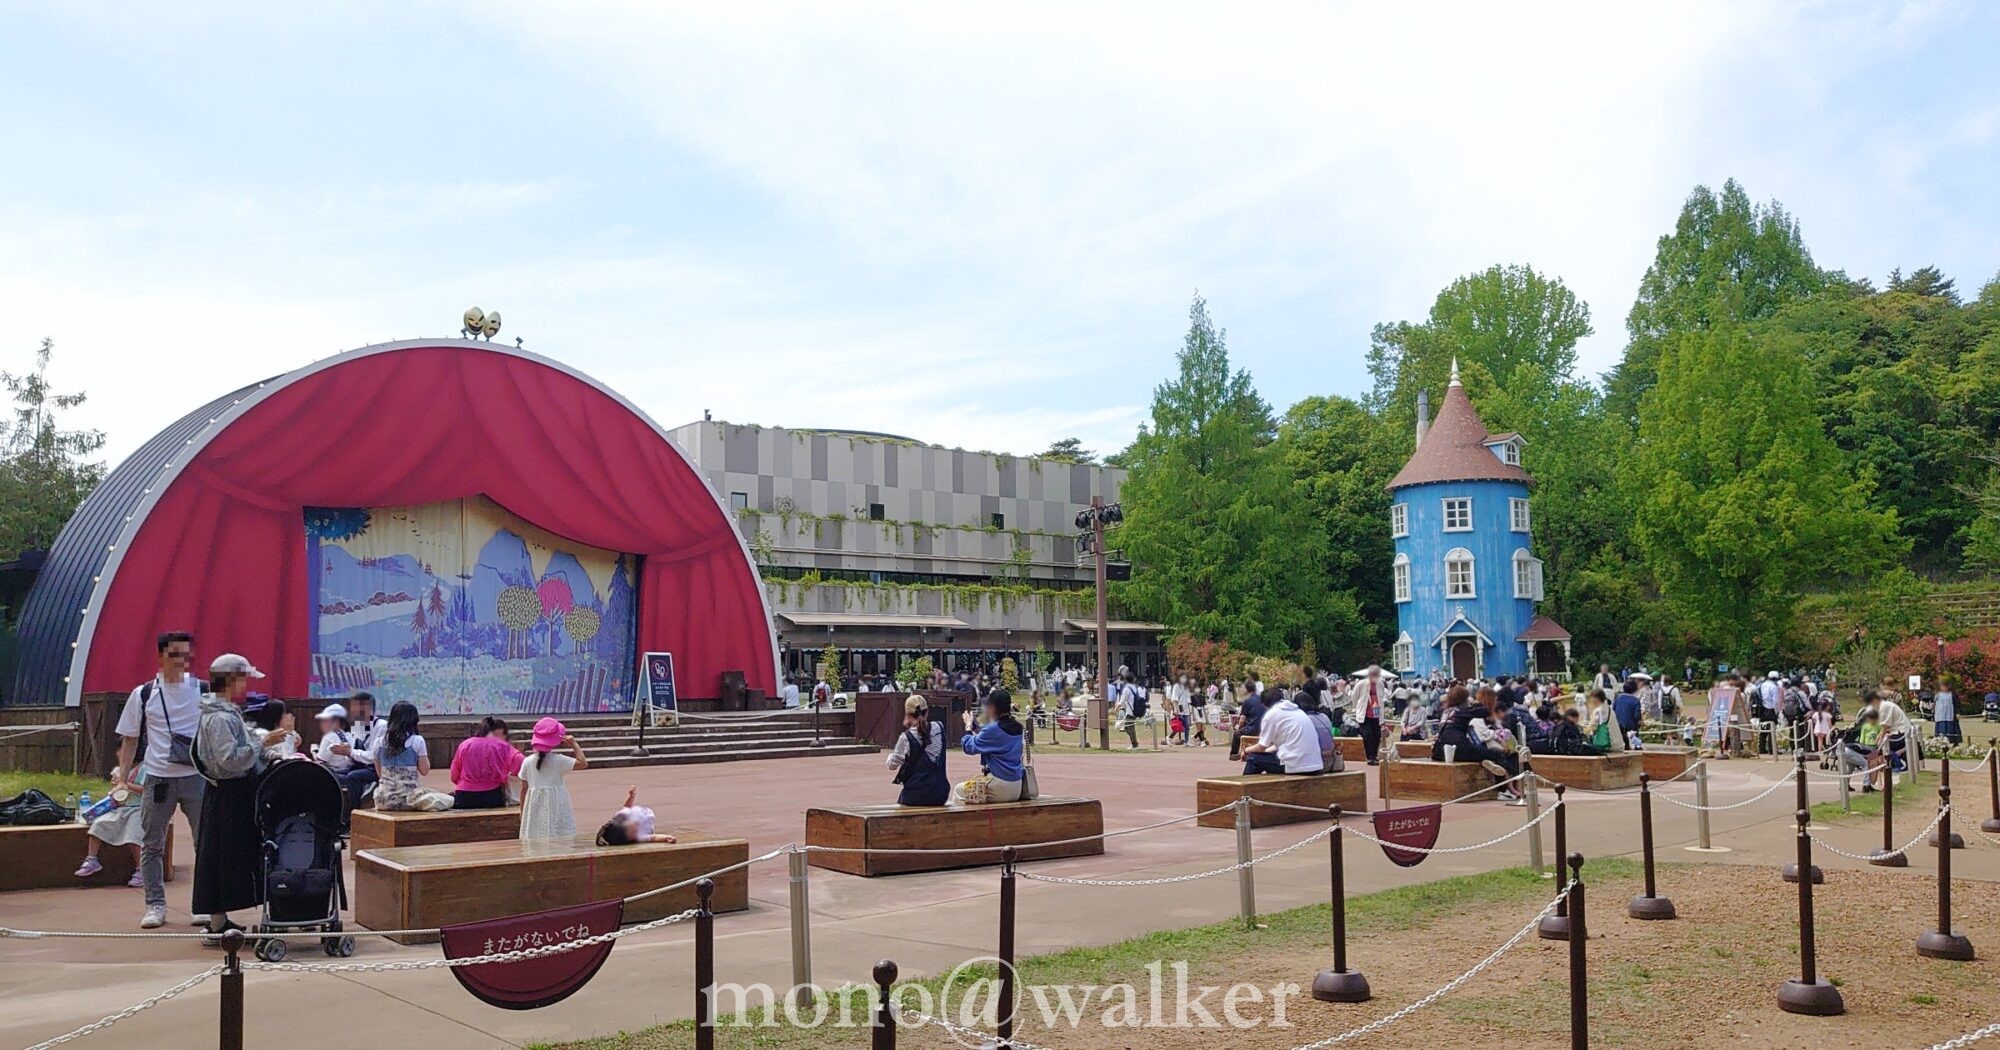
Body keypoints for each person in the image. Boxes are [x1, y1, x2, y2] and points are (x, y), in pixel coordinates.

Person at [114, 631, 207, 930]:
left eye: (186, 654)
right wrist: (123, 778)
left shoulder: (204, 691)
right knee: (151, 844)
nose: (181, 660)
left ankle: (203, 904)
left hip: (196, 775)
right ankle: (155, 904)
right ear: (161, 656)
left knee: (203, 842)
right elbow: (129, 739)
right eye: (174, 654)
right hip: (158, 777)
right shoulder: (143, 693)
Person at [190, 654, 269, 945]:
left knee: (218, 856)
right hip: (229, 793)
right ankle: (216, 923)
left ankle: (218, 920)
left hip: (223, 794)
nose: (245, 686)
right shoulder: (221, 717)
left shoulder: (221, 712)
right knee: (222, 856)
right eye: (243, 679)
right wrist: (263, 743)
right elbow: (230, 760)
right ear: (230, 680)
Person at [373, 702, 454, 812]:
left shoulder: (378, 742)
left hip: (383, 800)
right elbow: (425, 770)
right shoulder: (417, 741)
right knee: (445, 799)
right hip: (409, 800)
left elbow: (379, 774)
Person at [74, 765, 145, 886]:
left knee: (133, 836)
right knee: (98, 825)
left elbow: (146, 790)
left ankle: (141, 870)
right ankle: (92, 860)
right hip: (120, 807)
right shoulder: (120, 769)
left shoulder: (144, 769)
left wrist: (126, 784)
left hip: (138, 808)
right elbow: (116, 792)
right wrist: (116, 787)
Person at [520, 717, 588, 839]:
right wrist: (574, 744)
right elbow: (583, 763)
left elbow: (524, 789)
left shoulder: (527, 762)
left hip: (534, 804)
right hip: (557, 802)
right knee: (559, 833)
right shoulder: (559, 760)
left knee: (535, 834)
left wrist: (522, 811)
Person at [957, 689, 1026, 804]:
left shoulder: (993, 729)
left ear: (993, 707)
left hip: (999, 785)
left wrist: (968, 726)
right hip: (1017, 785)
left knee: (959, 790)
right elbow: (991, 739)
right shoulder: (1018, 727)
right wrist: (975, 727)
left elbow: (969, 747)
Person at [1243, 687, 1323, 776]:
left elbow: (1262, 746)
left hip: (1295, 766)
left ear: (1264, 704)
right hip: (1314, 765)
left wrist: (1246, 751)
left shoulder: (1272, 714)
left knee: (1254, 759)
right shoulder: (1298, 711)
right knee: (1268, 759)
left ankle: (1242, 789)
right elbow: (1282, 744)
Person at [885, 695, 949, 806]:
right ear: (927, 712)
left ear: (907, 714)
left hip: (915, 795)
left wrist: (890, 756)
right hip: (940, 793)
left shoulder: (906, 737)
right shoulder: (939, 727)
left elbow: (892, 765)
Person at [311, 703, 375, 814]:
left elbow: (320, 761)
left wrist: (314, 751)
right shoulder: (350, 736)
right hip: (348, 772)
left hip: (334, 774)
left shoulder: (329, 737)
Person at [449, 717, 523, 809]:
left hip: (464, 796)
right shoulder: (502, 746)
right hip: (492, 796)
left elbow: (454, 776)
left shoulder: (465, 745)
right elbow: (521, 762)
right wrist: (510, 774)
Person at [595, 786, 678, 845]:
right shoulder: (639, 836)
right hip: (647, 825)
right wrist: (667, 837)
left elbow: (626, 807)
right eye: (633, 831)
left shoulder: (622, 816)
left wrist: (631, 797)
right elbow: (654, 837)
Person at [1344, 666, 1388, 765]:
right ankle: (1369, 757)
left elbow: (1381, 698)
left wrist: (1382, 715)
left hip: (1376, 713)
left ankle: (1374, 755)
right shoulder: (1361, 684)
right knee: (1367, 735)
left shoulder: (1380, 684)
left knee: (1376, 735)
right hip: (1364, 713)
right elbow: (1354, 697)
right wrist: (1358, 707)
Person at [1613, 681, 1644, 750]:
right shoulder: (1636, 701)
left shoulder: (1618, 698)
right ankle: (1636, 746)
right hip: (1631, 726)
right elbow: (1637, 716)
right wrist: (1640, 721)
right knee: (1634, 739)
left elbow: (1613, 710)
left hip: (1619, 725)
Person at [1934, 677, 1962, 745]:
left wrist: (1958, 712)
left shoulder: (1953, 694)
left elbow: (1957, 704)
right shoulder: (1937, 694)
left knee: (1951, 729)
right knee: (1941, 730)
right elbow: (1934, 704)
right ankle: (1940, 741)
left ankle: (1953, 742)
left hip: (1950, 716)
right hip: (1940, 716)